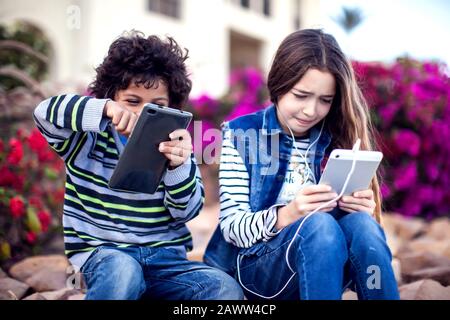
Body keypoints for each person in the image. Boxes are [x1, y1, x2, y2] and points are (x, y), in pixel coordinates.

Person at [33, 31, 243, 300]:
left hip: (165, 262)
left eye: (156, 106)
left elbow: (186, 212)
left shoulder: (175, 147)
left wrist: (178, 167)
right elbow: (43, 113)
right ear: (111, 97)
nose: (142, 112)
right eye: (132, 101)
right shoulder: (86, 140)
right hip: (106, 257)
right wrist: (104, 110)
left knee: (223, 288)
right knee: (123, 274)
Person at [204, 29, 400, 300]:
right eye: (301, 95)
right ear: (279, 84)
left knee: (364, 227)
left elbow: (351, 234)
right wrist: (289, 213)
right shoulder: (242, 136)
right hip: (260, 272)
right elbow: (233, 228)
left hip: (322, 268)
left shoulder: (335, 136)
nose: (311, 111)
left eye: (325, 100)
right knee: (318, 225)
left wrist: (359, 211)